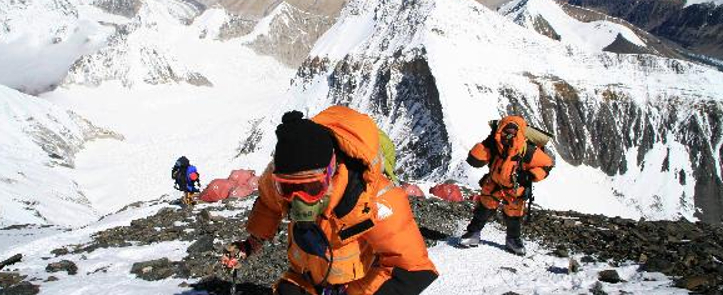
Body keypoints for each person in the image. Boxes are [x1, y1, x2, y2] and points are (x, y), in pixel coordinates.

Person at [221, 106, 437, 295]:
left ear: (331, 171)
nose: (299, 199)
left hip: (357, 285)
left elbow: (414, 268)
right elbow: (269, 203)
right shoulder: (278, 177)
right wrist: (251, 244)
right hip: (306, 279)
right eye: (288, 188)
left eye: (312, 187)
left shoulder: (375, 199)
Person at [458, 115, 554, 256]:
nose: (509, 135)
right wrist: (487, 143)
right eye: (506, 131)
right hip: (494, 184)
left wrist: (529, 175)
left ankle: (512, 239)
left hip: (514, 188)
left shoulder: (527, 150)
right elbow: (475, 160)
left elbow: (546, 165)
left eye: (512, 132)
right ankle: (474, 233)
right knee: (484, 209)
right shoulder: (494, 144)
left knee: (513, 215)